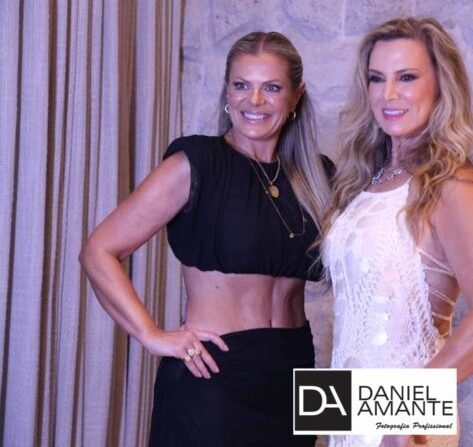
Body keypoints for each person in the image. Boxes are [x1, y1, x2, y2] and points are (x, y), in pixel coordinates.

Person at [80, 31, 331, 446]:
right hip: (214, 374)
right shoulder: (196, 162)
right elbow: (98, 251)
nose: (254, 100)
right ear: (227, 91)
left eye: (271, 88)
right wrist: (151, 335)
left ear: (296, 95)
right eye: (241, 85)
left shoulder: (318, 176)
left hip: (295, 372)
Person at [322, 17, 473, 447]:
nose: (388, 94)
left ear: (441, 85)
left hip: (406, 429)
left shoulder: (453, 184)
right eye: (377, 78)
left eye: (406, 77)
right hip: (356, 417)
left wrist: (406, 416)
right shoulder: (367, 179)